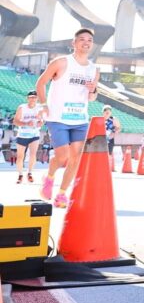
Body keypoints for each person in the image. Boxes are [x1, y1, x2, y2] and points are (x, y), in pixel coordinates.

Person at [35, 28, 100, 208]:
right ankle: (49, 178)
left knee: (76, 158)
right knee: (62, 156)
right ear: (74, 43)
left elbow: (92, 97)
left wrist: (92, 89)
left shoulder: (94, 69)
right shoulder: (61, 62)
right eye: (81, 39)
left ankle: (62, 194)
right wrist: (42, 104)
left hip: (80, 118)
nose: (86, 42)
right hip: (58, 117)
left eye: (89, 40)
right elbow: (40, 83)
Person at [13, 91, 44, 184]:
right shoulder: (22, 108)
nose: (32, 99)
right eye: (31, 97)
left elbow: (41, 121)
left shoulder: (40, 108)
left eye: (34, 97)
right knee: (20, 157)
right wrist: (26, 123)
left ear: (37, 98)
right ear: (27, 98)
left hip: (34, 135)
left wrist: (40, 123)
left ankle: (30, 173)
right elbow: (15, 121)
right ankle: (20, 174)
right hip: (22, 134)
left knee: (33, 155)